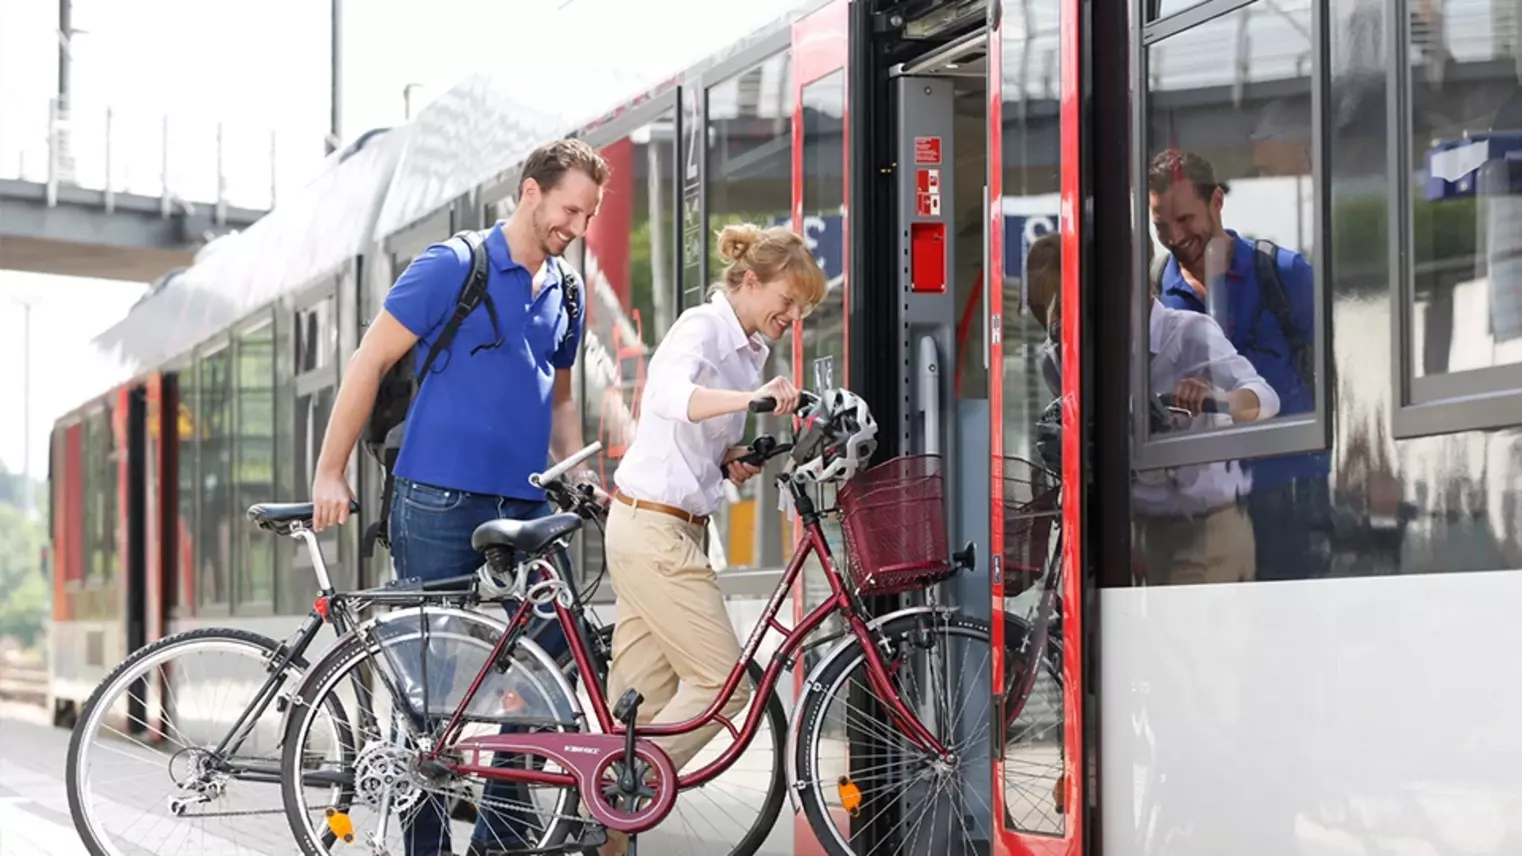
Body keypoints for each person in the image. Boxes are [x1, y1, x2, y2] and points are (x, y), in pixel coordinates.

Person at [308, 138, 611, 856]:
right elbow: (369, 361)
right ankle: (427, 846)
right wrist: (330, 470)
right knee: (430, 694)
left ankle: (502, 830)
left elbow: (560, 397)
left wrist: (575, 471)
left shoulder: (566, 289)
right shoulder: (454, 266)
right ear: (530, 193)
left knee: (558, 665)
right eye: (570, 208)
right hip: (436, 500)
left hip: (529, 508)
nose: (578, 225)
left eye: (590, 214)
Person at [595, 223, 826, 855]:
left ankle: (605, 824)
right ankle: (612, 788)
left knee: (637, 707)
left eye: (802, 309)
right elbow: (668, 399)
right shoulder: (701, 328)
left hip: (663, 528)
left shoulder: (750, 351)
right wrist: (751, 399)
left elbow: (696, 437)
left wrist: (731, 455)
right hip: (656, 531)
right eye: (787, 300)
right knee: (728, 690)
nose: (793, 316)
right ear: (751, 281)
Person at [1147, 148, 1332, 581]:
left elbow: (1338, 373)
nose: (1174, 236)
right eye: (1160, 226)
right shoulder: (1155, 292)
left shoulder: (1285, 273)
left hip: (1288, 497)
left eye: (1184, 219)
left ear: (1216, 201)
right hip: (1204, 514)